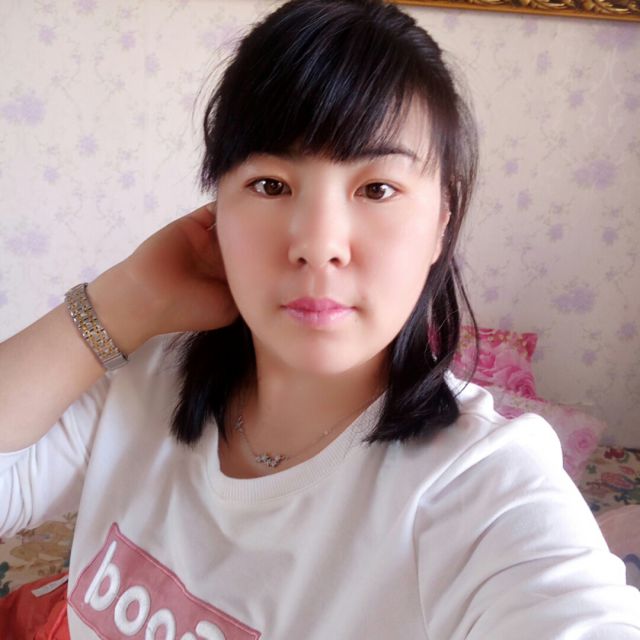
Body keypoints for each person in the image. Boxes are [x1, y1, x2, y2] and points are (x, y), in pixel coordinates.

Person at [1, 0, 639, 637]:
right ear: (217, 211)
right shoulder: (148, 377)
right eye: (271, 185)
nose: (318, 243)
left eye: (377, 189)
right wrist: (124, 300)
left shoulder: (481, 490)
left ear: (441, 224)